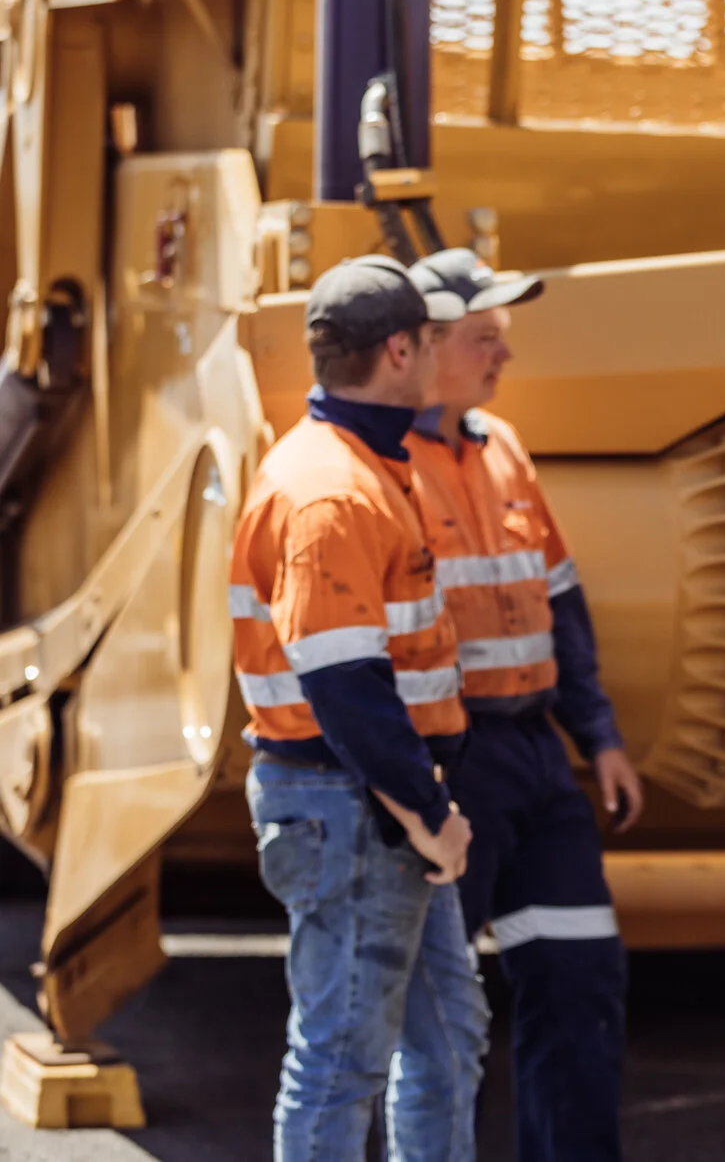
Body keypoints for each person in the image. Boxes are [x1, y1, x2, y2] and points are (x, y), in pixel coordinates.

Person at [229, 255, 488, 1161]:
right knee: (341, 1057)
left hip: (371, 803)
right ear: (401, 350)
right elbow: (345, 687)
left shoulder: (365, 465)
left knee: (448, 1036)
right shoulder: (332, 490)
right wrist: (427, 812)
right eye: (432, 340)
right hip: (350, 805)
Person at [404, 248, 643, 1162]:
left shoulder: (503, 445)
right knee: (435, 1010)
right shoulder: (382, 466)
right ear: (425, 344)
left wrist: (599, 736)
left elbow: (560, 602)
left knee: (580, 979)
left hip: (537, 760)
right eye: (485, 338)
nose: (504, 356)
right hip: (449, 769)